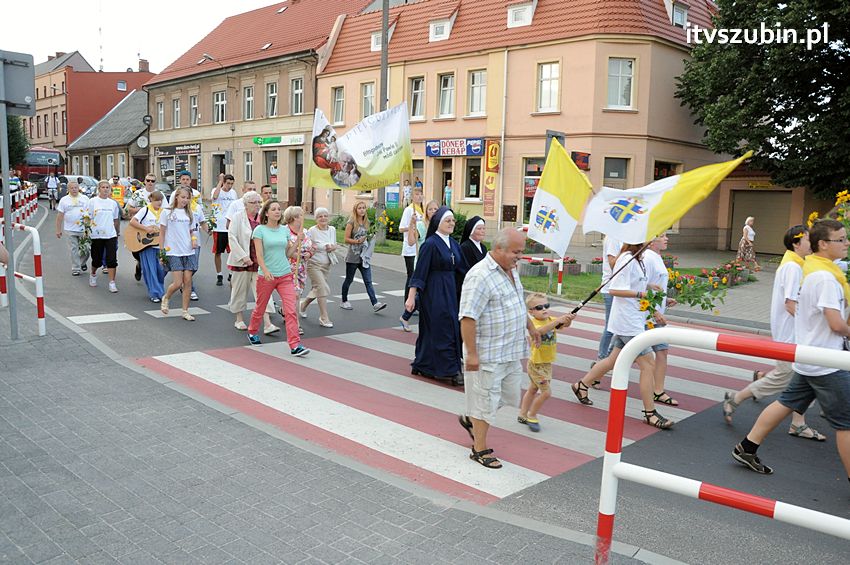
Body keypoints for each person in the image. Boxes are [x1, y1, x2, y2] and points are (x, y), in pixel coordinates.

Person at [732, 219, 850, 477]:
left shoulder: (817, 271)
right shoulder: (825, 278)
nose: (846, 243)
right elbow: (835, 323)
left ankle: (747, 447)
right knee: (846, 423)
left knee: (786, 402)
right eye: (841, 239)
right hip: (826, 361)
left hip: (811, 356)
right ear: (823, 244)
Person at [723, 225, 825, 440]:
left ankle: (798, 423)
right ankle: (736, 398)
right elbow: (790, 304)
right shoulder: (793, 267)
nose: (813, 243)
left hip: (793, 334)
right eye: (808, 239)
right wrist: (814, 323)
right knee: (785, 377)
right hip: (790, 335)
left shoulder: (796, 263)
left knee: (803, 379)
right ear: (796, 244)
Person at [457, 228, 541, 469]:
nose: (520, 257)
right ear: (499, 249)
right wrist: (472, 353)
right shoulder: (480, 276)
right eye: (516, 252)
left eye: (522, 252)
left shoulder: (511, 272)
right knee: (485, 402)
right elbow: (467, 318)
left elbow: (517, 302)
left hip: (510, 351)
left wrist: (531, 327)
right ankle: (479, 449)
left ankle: (471, 419)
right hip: (487, 354)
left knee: (507, 396)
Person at [571, 243, 674, 430]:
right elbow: (614, 289)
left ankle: (581, 384)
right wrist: (642, 292)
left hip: (632, 318)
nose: (652, 242)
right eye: (648, 239)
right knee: (648, 364)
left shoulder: (639, 259)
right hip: (628, 322)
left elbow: (634, 283)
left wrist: (649, 287)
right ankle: (650, 413)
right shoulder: (626, 259)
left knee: (613, 360)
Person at [404, 206, 468, 386]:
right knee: (443, 328)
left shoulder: (454, 244)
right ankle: (450, 370)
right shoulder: (430, 244)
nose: (452, 223)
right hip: (433, 292)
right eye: (448, 220)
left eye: (453, 221)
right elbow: (419, 273)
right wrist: (411, 297)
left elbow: (463, 270)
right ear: (438, 223)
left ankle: (424, 364)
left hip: (450, 291)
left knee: (446, 327)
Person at [247, 200, 310, 356]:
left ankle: (295, 345)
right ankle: (252, 331)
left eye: (279, 209)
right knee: (260, 308)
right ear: (266, 213)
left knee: (291, 310)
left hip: (285, 275)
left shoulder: (284, 231)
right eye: (273, 209)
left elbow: (288, 254)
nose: (277, 211)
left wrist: (298, 242)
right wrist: (266, 270)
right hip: (266, 277)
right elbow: (259, 255)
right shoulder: (259, 230)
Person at [518, 293, 575, 432]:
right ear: (530, 311)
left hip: (546, 363)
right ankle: (532, 415)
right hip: (536, 364)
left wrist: (568, 319)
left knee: (533, 389)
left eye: (546, 305)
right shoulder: (534, 324)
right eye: (539, 307)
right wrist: (557, 321)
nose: (544, 309)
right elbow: (540, 331)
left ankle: (522, 414)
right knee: (546, 393)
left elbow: (563, 325)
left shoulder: (550, 319)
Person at [226, 192, 276, 332]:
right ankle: (239, 319)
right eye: (253, 202)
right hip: (242, 261)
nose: (257, 205)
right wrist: (243, 256)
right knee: (239, 290)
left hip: (259, 261)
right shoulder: (238, 217)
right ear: (245, 204)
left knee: (263, 291)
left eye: (259, 202)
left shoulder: (263, 219)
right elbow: (232, 238)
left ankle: (267, 323)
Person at [643, 233, 679, 407]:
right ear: (651, 241)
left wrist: (664, 300)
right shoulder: (648, 259)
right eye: (662, 236)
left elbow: (656, 286)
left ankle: (658, 391)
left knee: (662, 352)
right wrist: (654, 312)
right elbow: (642, 288)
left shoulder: (657, 257)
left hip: (656, 314)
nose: (667, 238)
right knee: (618, 356)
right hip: (647, 317)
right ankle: (587, 382)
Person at [159, 187, 200, 321]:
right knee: (177, 283)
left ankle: (185, 311)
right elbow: (162, 232)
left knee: (187, 281)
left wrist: (194, 240)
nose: (185, 200)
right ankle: (166, 297)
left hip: (188, 250)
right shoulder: (167, 213)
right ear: (176, 197)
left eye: (188, 198)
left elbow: (192, 230)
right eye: (183, 197)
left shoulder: (190, 214)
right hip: (173, 251)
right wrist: (161, 250)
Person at [399, 199, 439, 331]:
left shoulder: (441, 226)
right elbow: (411, 242)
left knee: (428, 294)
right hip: (423, 264)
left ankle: (406, 317)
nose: (433, 211)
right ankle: (406, 317)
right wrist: (412, 224)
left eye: (435, 209)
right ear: (426, 212)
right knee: (422, 293)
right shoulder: (422, 226)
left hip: (436, 265)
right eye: (430, 209)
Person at [340, 201, 386, 312]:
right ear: (355, 210)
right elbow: (346, 239)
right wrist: (356, 241)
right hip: (353, 257)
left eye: (364, 208)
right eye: (359, 208)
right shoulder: (351, 223)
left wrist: (370, 239)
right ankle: (344, 300)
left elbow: (368, 236)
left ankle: (375, 303)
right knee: (349, 280)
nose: (362, 210)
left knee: (368, 281)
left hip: (364, 257)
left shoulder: (368, 223)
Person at [302, 207, 337, 328]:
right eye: (320, 216)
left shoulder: (332, 229)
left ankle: (302, 306)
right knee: (322, 287)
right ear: (316, 219)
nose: (323, 218)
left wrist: (333, 247)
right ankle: (324, 317)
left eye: (325, 216)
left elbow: (334, 243)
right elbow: (310, 245)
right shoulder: (312, 230)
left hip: (327, 264)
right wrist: (324, 246)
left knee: (318, 289)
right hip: (314, 264)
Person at [128, 190, 167, 302]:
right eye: (156, 200)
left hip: (161, 244)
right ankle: (155, 293)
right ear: (151, 200)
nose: (159, 203)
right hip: (147, 245)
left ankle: (158, 288)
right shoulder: (145, 210)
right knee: (150, 269)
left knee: (162, 269)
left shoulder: (164, 212)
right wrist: (146, 229)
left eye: (160, 200)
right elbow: (133, 221)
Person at [284, 206, 314, 337]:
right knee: (295, 296)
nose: (304, 217)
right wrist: (299, 255)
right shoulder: (285, 232)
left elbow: (312, 247)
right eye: (302, 215)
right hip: (288, 268)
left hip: (302, 269)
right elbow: (286, 252)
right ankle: (296, 324)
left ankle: (286, 311)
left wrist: (309, 253)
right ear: (295, 217)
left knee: (296, 296)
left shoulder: (305, 231)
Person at [87, 180, 121, 293]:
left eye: (107, 187)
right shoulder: (92, 202)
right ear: (99, 189)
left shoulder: (113, 203)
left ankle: (112, 283)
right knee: (97, 259)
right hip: (96, 235)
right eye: (103, 187)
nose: (105, 189)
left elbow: (116, 219)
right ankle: (93, 274)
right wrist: (87, 231)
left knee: (112, 260)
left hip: (110, 234)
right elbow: (87, 217)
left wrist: (116, 232)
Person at [126, 174, 159, 281]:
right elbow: (129, 210)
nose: (150, 183)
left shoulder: (159, 195)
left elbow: (165, 210)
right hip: (138, 227)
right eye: (148, 180)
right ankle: (139, 264)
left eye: (152, 181)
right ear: (144, 181)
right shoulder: (138, 194)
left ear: (155, 183)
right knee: (136, 252)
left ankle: (151, 278)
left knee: (153, 253)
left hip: (154, 229)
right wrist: (142, 209)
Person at [399, 186, 425, 316]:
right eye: (416, 194)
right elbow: (401, 228)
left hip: (419, 248)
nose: (419, 196)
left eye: (421, 194)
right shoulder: (409, 210)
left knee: (419, 276)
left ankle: (417, 303)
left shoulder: (422, 210)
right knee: (411, 277)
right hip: (410, 249)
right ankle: (408, 303)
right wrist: (412, 225)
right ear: (412, 196)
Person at [55, 181, 90, 276]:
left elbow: (90, 213)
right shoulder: (64, 200)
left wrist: (89, 226)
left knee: (86, 249)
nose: (74, 189)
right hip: (70, 229)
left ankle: (81, 262)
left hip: (84, 229)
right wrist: (58, 229)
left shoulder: (85, 199)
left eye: (75, 187)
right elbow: (60, 215)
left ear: (78, 188)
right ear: (68, 189)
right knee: (74, 248)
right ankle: (76, 268)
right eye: (72, 188)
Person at [596, 235, 622, 363]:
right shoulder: (613, 238)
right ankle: (602, 357)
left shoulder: (626, 237)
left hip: (622, 288)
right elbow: (612, 263)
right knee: (611, 326)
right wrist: (627, 250)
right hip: (610, 288)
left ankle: (612, 356)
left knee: (620, 325)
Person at [211, 173, 239, 286]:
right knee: (218, 252)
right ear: (224, 182)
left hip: (231, 226)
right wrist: (220, 182)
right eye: (228, 183)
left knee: (233, 251)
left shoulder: (233, 193)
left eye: (232, 184)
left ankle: (231, 272)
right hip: (219, 226)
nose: (230, 186)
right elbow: (215, 197)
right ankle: (219, 274)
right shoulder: (216, 190)